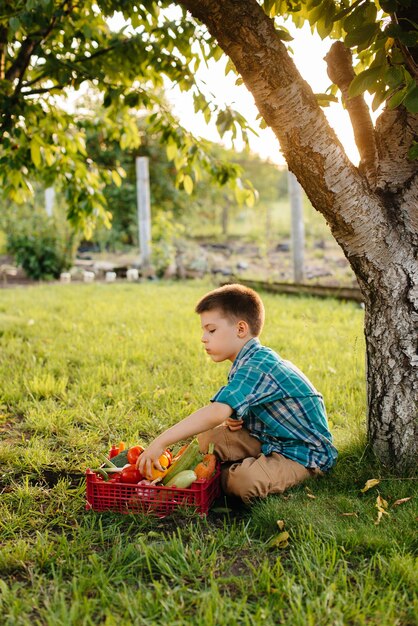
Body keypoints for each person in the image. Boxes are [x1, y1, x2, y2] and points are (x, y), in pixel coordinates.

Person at [137, 284, 337, 503]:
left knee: (241, 482)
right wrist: (238, 418)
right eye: (203, 331)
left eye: (211, 330)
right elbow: (251, 403)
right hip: (269, 436)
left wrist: (160, 442)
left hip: (302, 453)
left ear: (241, 329)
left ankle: (218, 478)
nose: (204, 337)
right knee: (206, 439)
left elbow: (216, 413)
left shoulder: (258, 365)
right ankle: (220, 470)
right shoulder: (247, 361)